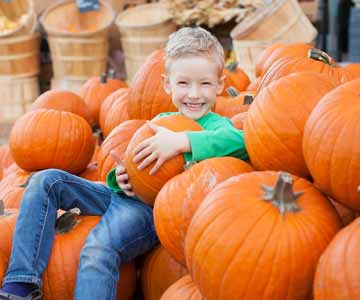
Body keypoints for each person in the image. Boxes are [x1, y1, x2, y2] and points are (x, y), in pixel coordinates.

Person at [0, 26, 248, 300]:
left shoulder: (217, 126)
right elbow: (134, 166)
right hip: (125, 197)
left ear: (220, 85)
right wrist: (120, 179)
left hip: (153, 212)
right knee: (46, 181)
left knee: (98, 248)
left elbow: (243, 140)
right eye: (183, 83)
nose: (193, 94)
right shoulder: (157, 122)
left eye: (204, 84)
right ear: (167, 83)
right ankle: (20, 283)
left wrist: (184, 142)